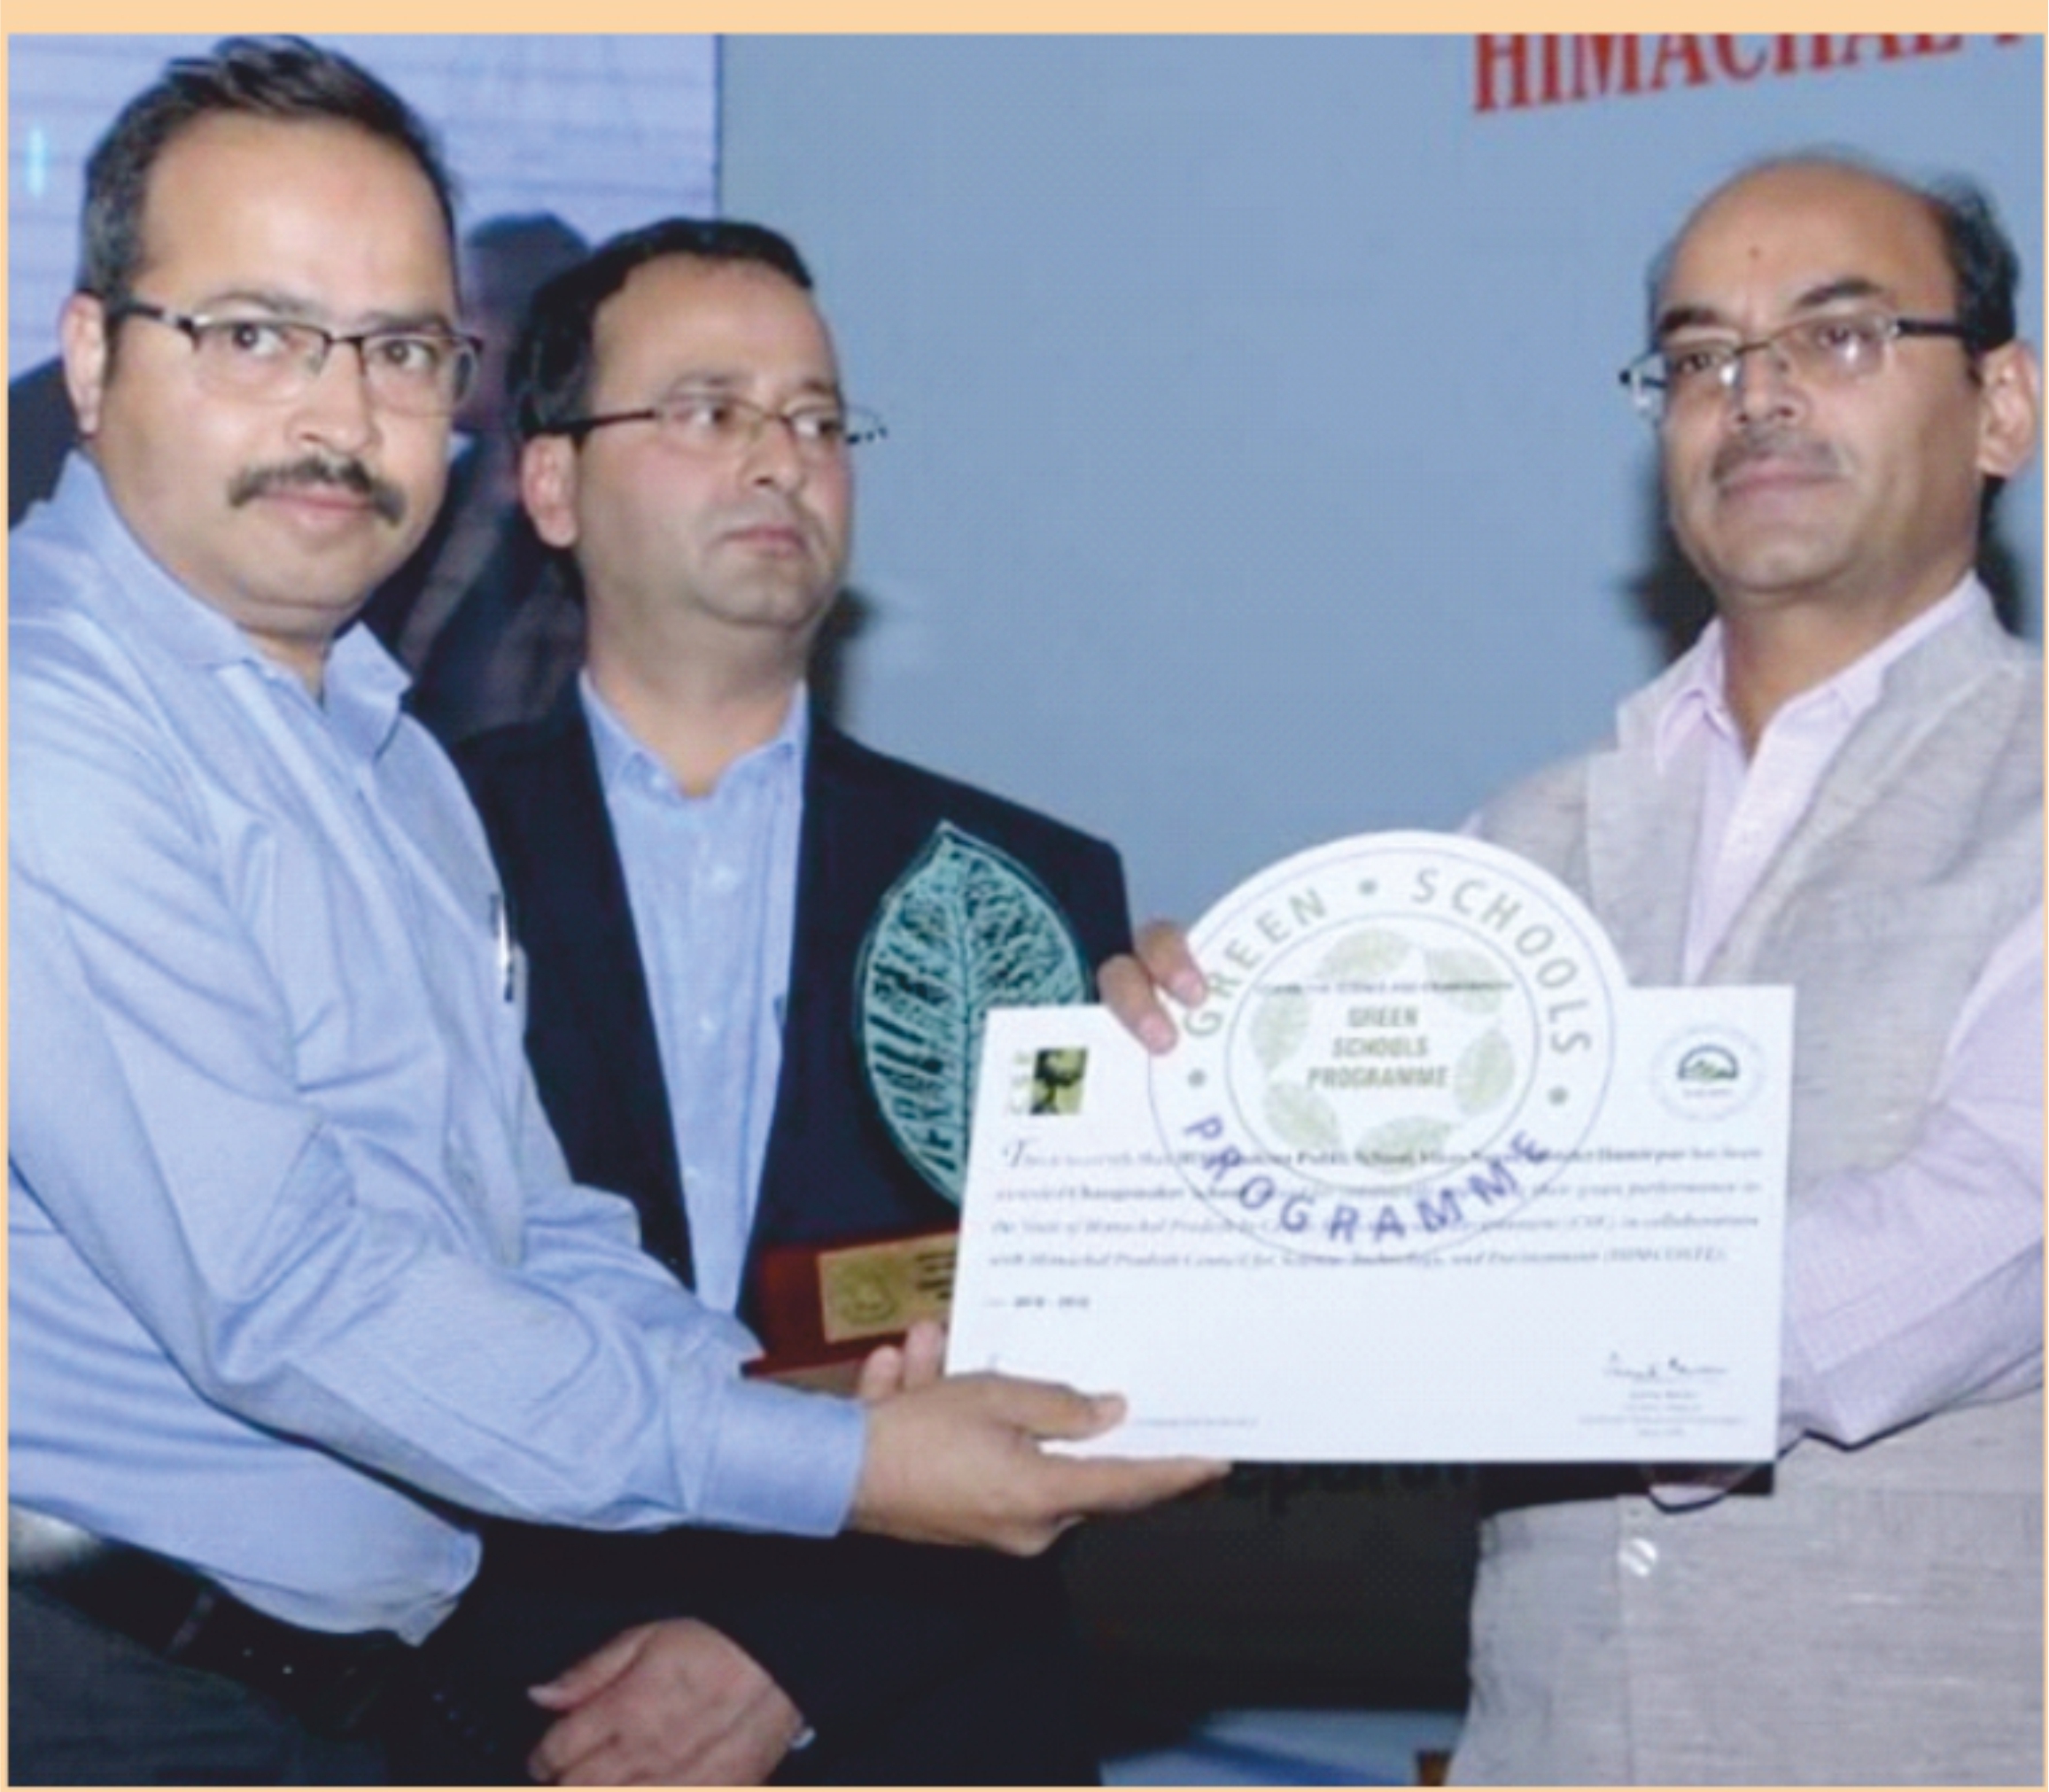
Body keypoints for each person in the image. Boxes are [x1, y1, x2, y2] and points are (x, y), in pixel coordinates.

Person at [6, 37, 1222, 1786]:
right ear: (95, 354)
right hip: (119, 1690)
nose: (338, 417)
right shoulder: (50, 723)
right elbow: (287, 1296)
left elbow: (531, 1226)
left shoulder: (379, 762)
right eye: (257, 334)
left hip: (344, 1698)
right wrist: (847, 1468)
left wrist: (813, 1419)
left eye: (404, 350)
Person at [1103, 151, 2042, 1785]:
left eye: (1831, 339)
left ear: (1999, 407)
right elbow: (1339, 1216)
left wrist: (1425, 1311)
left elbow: (1967, 1246)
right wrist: (1174, 1137)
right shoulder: (1516, 844)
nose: (1749, 398)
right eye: (1696, 358)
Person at [391, 215, 1135, 1786]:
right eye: (708, 408)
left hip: (918, 1712)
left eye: (813, 417)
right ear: (548, 484)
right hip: (488, 1711)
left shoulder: (1021, 886)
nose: (780, 457)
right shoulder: (397, 848)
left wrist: (786, 1654)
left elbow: (1075, 1370)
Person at [359, 213, 590, 743]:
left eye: (465, 311)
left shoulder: (591, 537)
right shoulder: (433, 499)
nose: (434, 339)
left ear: (528, 334)